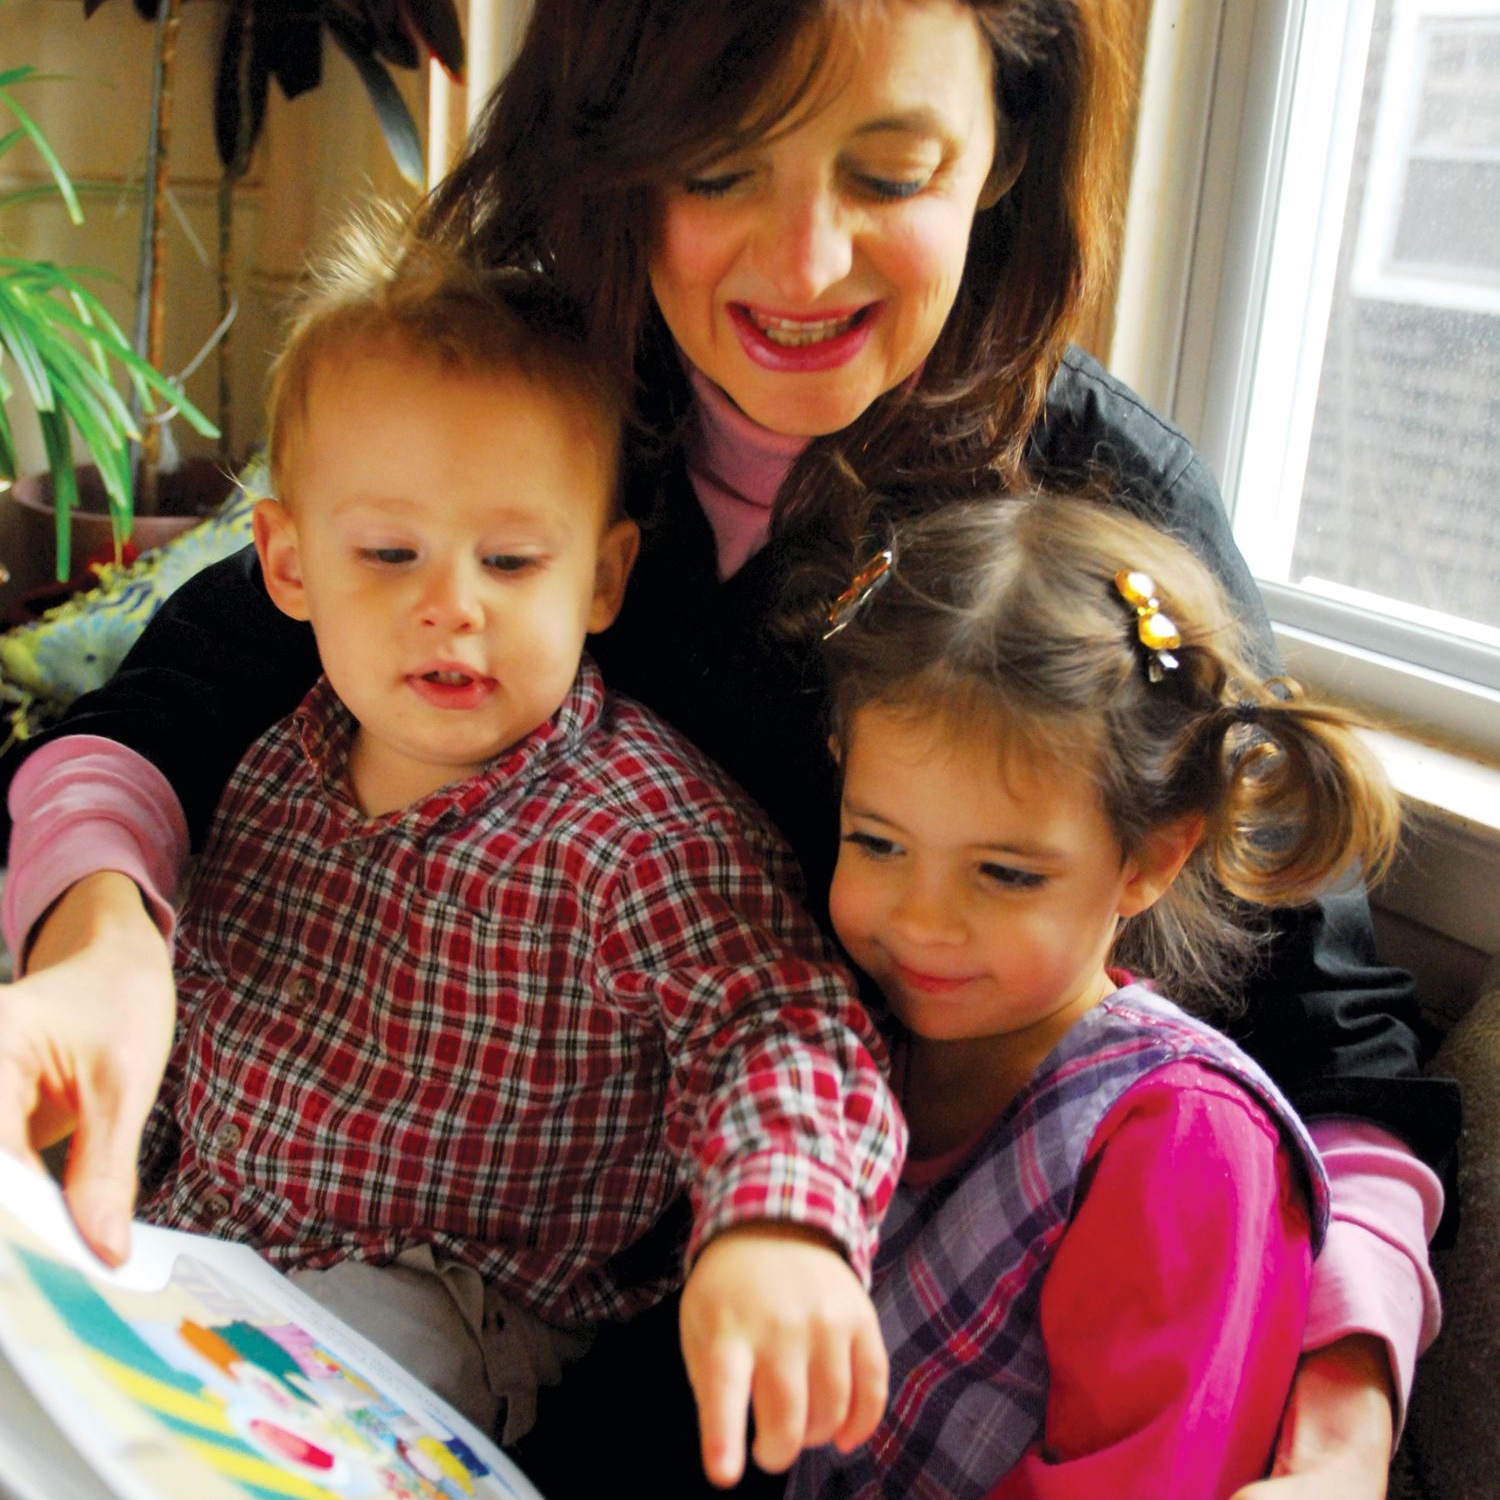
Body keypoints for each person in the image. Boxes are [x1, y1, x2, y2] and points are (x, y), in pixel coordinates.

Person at [0, 2, 1457, 1495]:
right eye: (717, 173)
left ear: (1004, 152)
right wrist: (102, 946)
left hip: (729, 1348)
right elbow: (165, 709)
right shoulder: (525, 389)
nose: (805, 264)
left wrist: (1339, 1432)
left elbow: (1327, 1033)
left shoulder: (1098, 509)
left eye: (888, 177)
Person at [89, 216, 904, 1474]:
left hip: (446, 1303)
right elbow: (184, 1037)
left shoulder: (638, 827)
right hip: (197, 1248)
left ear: (602, 582)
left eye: (512, 559)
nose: (450, 602)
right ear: (289, 564)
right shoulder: (269, 767)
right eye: (390, 553)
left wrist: (778, 1230)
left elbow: (777, 1023)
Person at [790, 491, 1402, 1498]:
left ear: (1151, 859)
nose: (923, 920)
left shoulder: (1179, 1144)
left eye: (1006, 874)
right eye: (878, 843)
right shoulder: (851, 1029)